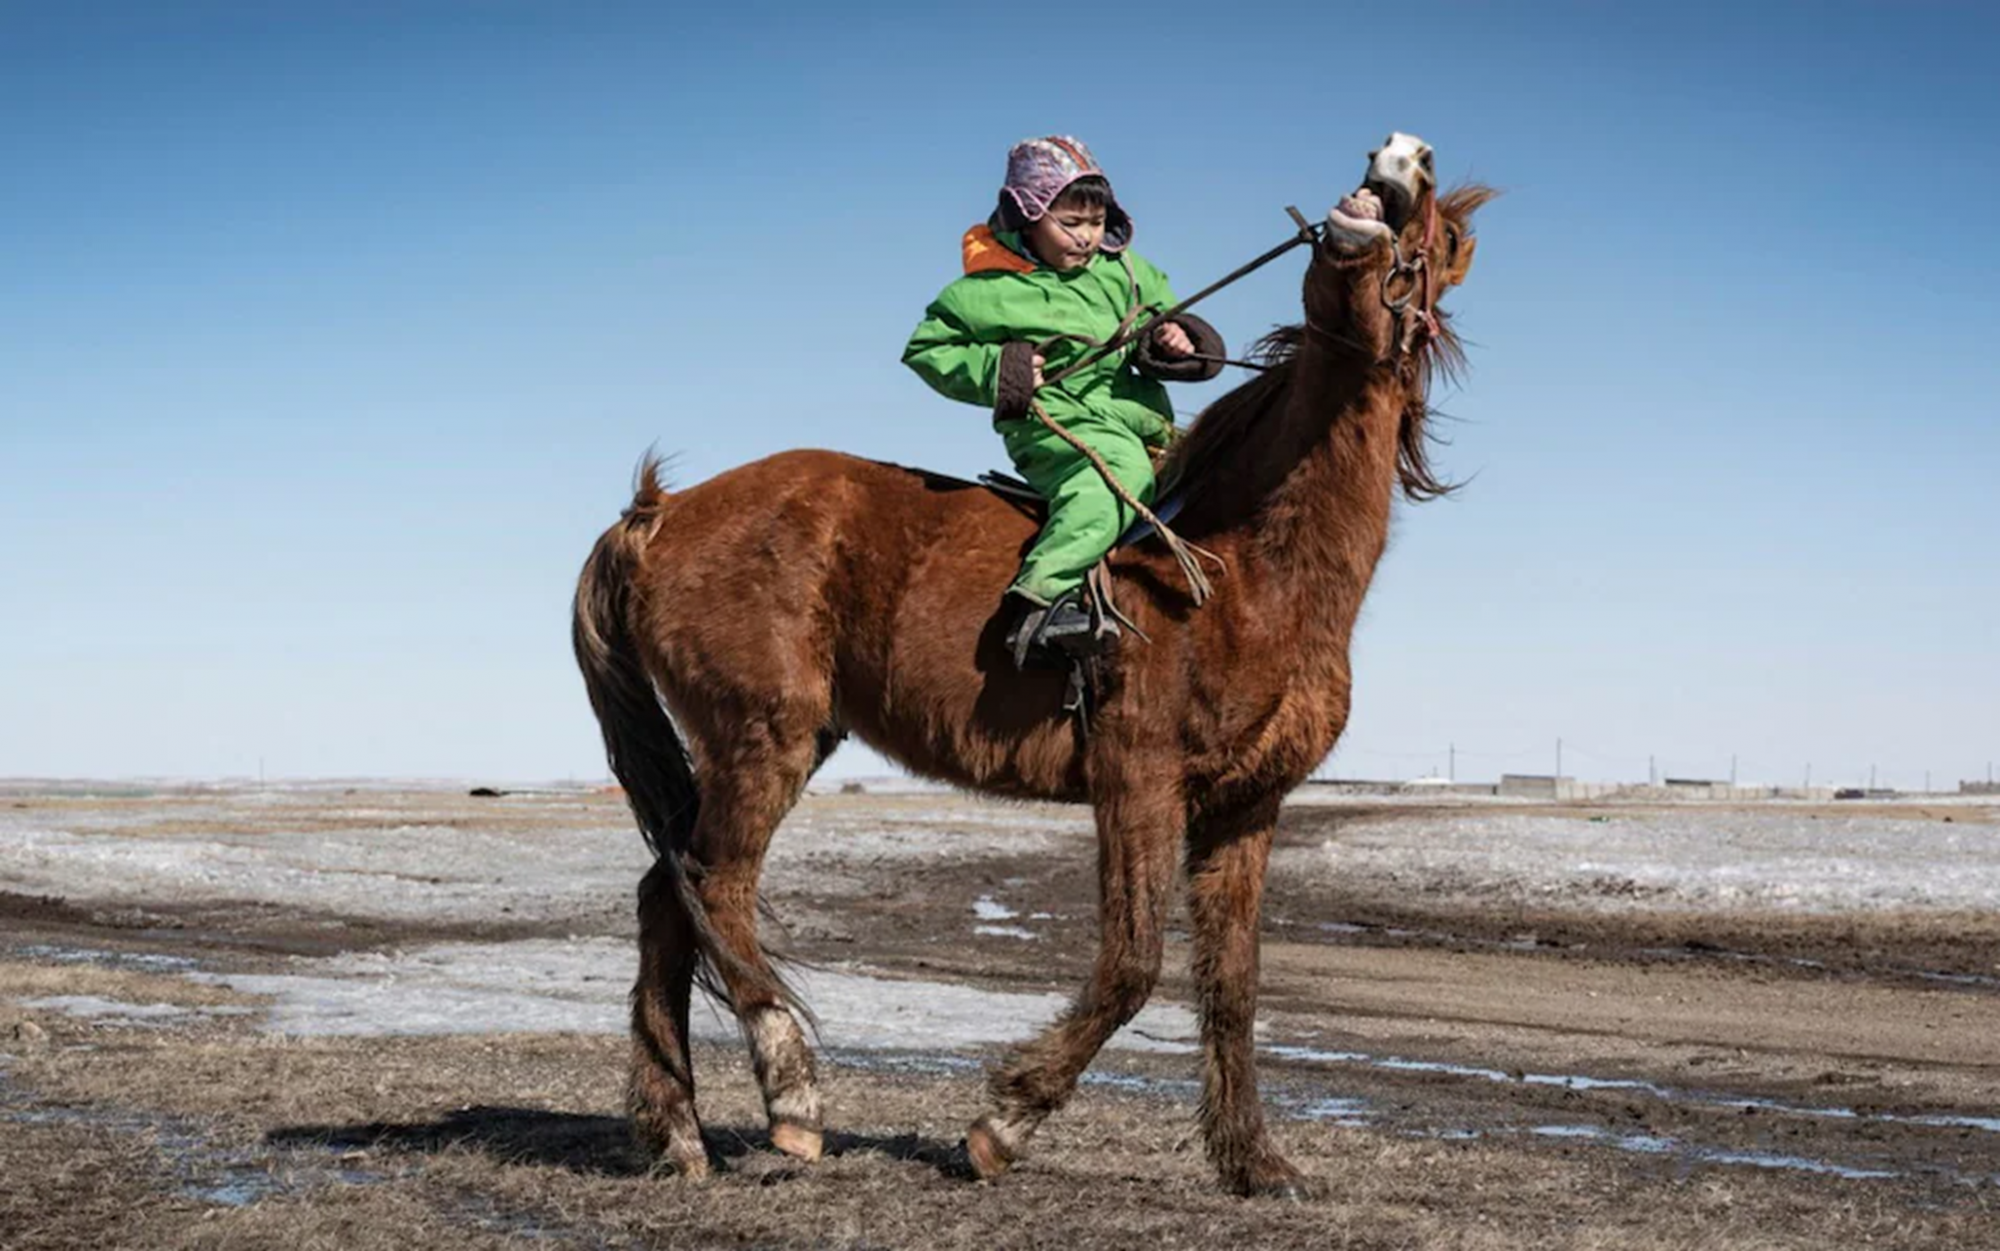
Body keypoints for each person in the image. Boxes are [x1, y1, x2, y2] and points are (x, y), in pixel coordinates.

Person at [902, 135, 1225, 667]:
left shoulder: (1125, 271)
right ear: (1028, 215)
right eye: (1069, 224)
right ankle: (1044, 597)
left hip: (1142, 422)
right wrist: (1000, 370)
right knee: (1114, 480)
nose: (1087, 237)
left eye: (1095, 223)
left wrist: (1173, 338)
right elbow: (927, 350)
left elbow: (1162, 313)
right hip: (1055, 426)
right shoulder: (983, 292)